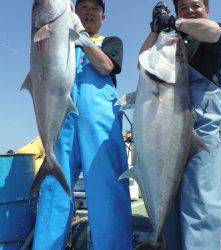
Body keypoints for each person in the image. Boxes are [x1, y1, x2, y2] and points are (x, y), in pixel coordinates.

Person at [32, 0, 132, 249]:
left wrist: (82, 37)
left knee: (106, 192)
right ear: (73, 12)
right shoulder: (59, 40)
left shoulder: (111, 42)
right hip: (61, 125)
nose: (89, 12)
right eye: (83, 7)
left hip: (99, 129)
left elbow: (105, 66)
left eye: (95, 8)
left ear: (104, 16)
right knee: (54, 193)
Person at [140, 1, 221, 249]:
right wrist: (156, 29)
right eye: (183, 7)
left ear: (207, 10)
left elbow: (212, 31)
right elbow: (142, 61)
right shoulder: (170, 42)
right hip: (167, 141)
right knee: (169, 214)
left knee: (202, 210)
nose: (190, 10)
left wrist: (174, 22)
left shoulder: (213, 35)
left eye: (196, 5)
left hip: (200, 142)